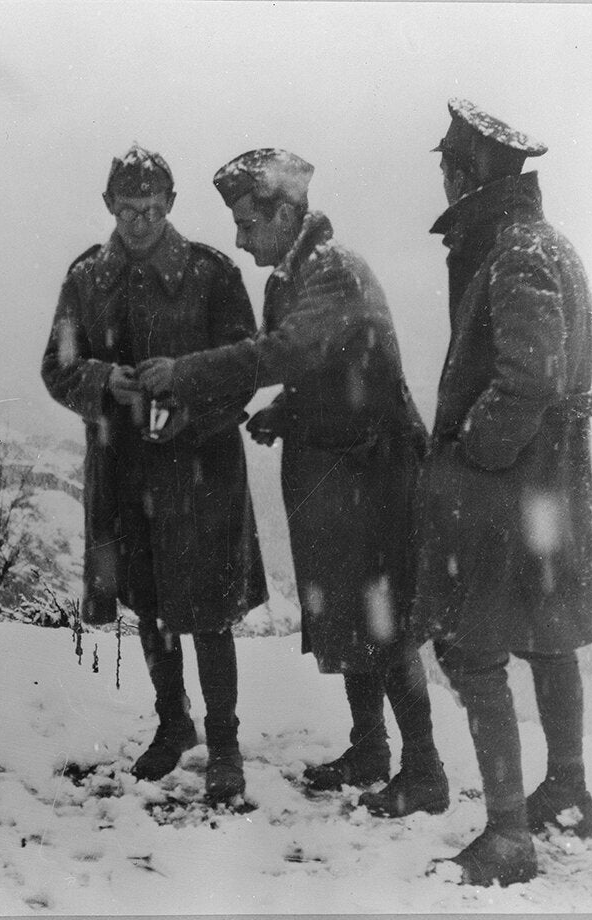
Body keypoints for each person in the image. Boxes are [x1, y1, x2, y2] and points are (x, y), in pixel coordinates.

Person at [138, 149, 447, 818]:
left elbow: (287, 352)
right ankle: (371, 750)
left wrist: (186, 373)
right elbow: (322, 367)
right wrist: (287, 408)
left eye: (250, 224)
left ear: (284, 213)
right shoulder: (295, 274)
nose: (242, 239)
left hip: (375, 470)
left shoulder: (330, 272)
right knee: (347, 613)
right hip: (340, 467)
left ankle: (425, 770)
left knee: (382, 621)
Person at [41, 145, 268, 802]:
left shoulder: (213, 273)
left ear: (171, 205)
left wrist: (190, 405)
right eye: (128, 209)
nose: (140, 222)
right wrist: (98, 379)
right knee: (148, 603)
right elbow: (56, 367)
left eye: (152, 208)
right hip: (123, 470)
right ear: (109, 206)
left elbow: (246, 367)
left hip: (201, 469)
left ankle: (223, 744)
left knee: (207, 611)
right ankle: (174, 727)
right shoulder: (85, 278)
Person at [417, 99, 592, 886]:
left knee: (471, 646)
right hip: (548, 481)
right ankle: (566, 792)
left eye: (449, 167)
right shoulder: (541, 242)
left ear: (470, 171)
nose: (446, 181)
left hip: (509, 480)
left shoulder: (515, 252)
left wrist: (468, 454)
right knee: (548, 635)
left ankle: (508, 836)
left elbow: (528, 379)